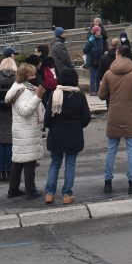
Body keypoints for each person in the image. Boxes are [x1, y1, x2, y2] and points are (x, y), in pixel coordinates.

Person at [98, 45, 132, 194]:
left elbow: (101, 95)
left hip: (114, 114)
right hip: (131, 115)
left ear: (118, 55)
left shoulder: (108, 73)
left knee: (111, 149)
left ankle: (107, 182)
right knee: (131, 149)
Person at [43, 68, 91, 204]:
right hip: (73, 135)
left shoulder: (54, 94)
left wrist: (53, 126)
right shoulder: (79, 96)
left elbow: (47, 118)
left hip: (56, 135)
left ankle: (49, 193)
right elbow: (86, 118)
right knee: (70, 165)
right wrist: (78, 125)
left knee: (54, 164)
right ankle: (67, 194)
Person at [5, 64, 44, 200]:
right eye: (32, 74)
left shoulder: (18, 87)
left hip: (21, 130)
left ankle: (13, 189)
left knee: (18, 161)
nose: (35, 76)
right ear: (26, 76)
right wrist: (37, 97)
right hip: (27, 130)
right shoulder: (24, 92)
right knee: (29, 161)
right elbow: (25, 110)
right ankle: (30, 190)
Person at [82, 26, 105, 96]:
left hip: (99, 60)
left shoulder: (101, 39)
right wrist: (91, 53)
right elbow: (85, 50)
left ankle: (97, 91)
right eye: (98, 30)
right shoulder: (91, 40)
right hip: (92, 60)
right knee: (93, 76)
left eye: (100, 30)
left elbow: (101, 49)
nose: (99, 31)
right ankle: (92, 91)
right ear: (95, 31)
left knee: (98, 76)